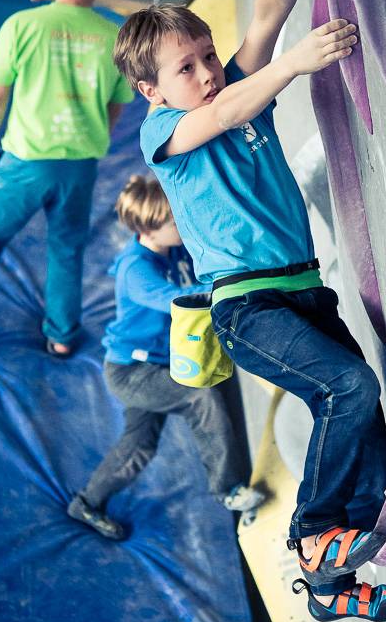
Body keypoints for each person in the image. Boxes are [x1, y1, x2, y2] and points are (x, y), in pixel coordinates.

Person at [112, 0, 386, 622]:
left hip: (304, 291)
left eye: (208, 56)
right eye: (186, 69)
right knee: (350, 386)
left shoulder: (234, 86)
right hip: (249, 309)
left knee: (369, 434)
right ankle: (312, 536)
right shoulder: (165, 133)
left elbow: (267, 18)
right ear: (152, 91)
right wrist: (290, 66)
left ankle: (333, 584)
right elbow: (227, 110)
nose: (207, 73)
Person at [67, 174, 265, 540]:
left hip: (158, 363)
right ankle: (228, 489)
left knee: (138, 446)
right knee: (200, 395)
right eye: (173, 221)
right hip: (133, 371)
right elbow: (180, 301)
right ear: (149, 230)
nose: (180, 224)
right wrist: (231, 287)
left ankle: (87, 503)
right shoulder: (136, 270)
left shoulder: (171, 247)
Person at [0, 0, 133, 356]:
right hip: (79, 165)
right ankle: (61, 337)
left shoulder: (22, 24)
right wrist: (94, 139)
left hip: (25, 161)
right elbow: (116, 105)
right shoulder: (113, 38)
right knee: (66, 249)